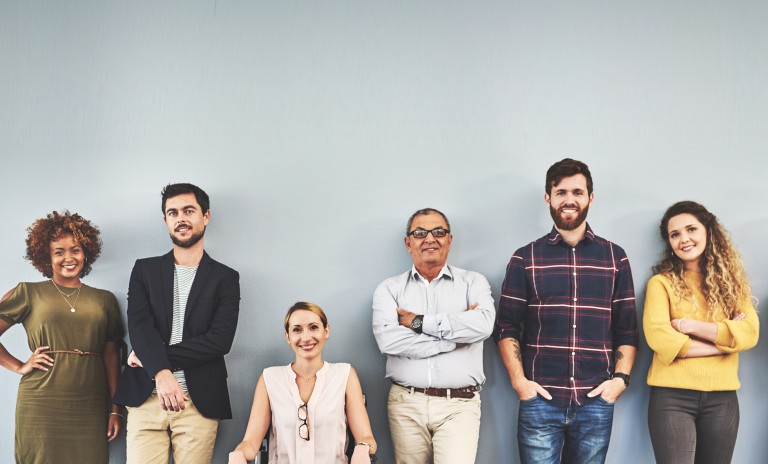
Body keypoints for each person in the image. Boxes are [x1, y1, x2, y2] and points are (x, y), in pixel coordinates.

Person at [495, 158, 639, 464]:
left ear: (590, 197)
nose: (569, 199)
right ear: (548, 198)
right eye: (561, 192)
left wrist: (620, 381)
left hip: (595, 402)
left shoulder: (615, 257)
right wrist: (521, 383)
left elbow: (627, 329)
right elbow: (507, 327)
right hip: (540, 402)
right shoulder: (525, 258)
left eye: (577, 191)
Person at [113, 183, 241, 464]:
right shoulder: (144, 270)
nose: (180, 218)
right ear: (165, 221)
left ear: (205, 216)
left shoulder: (226, 278)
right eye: (173, 213)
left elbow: (220, 341)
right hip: (145, 399)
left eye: (188, 210)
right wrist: (160, 371)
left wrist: (150, 357)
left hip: (198, 403)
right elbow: (139, 325)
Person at [372, 208, 495, 464]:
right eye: (420, 233)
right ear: (408, 243)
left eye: (439, 232)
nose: (430, 238)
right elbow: (389, 341)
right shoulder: (389, 290)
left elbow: (483, 325)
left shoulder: (473, 283)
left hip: (459, 405)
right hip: (406, 403)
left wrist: (418, 322)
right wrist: (456, 338)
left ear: (449, 240)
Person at [0, 211, 124, 464]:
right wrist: (20, 366)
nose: (69, 258)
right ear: (46, 256)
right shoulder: (28, 292)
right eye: (59, 252)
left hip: (90, 403)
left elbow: (111, 357)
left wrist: (115, 409)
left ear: (86, 252)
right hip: (41, 402)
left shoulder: (105, 299)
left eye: (75, 249)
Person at [644, 201, 759, 464]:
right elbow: (661, 339)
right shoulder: (660, 284)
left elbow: (750, 333)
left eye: (691, 229)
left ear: (707, 231)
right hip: (671, 398)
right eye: (675, 235)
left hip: (723, 399)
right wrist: (724, 343)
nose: (684, 239)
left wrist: (690, 327)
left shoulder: (732, 286)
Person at [229, 301, 377, 464]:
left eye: (313, 327)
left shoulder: (345, 374)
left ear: (326, 331)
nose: (306, 337)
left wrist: (363, 447)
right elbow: (250, 443)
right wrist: (237, 454)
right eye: (297, 329)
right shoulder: (270, 378)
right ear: (288, 336)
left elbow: (366, 437)